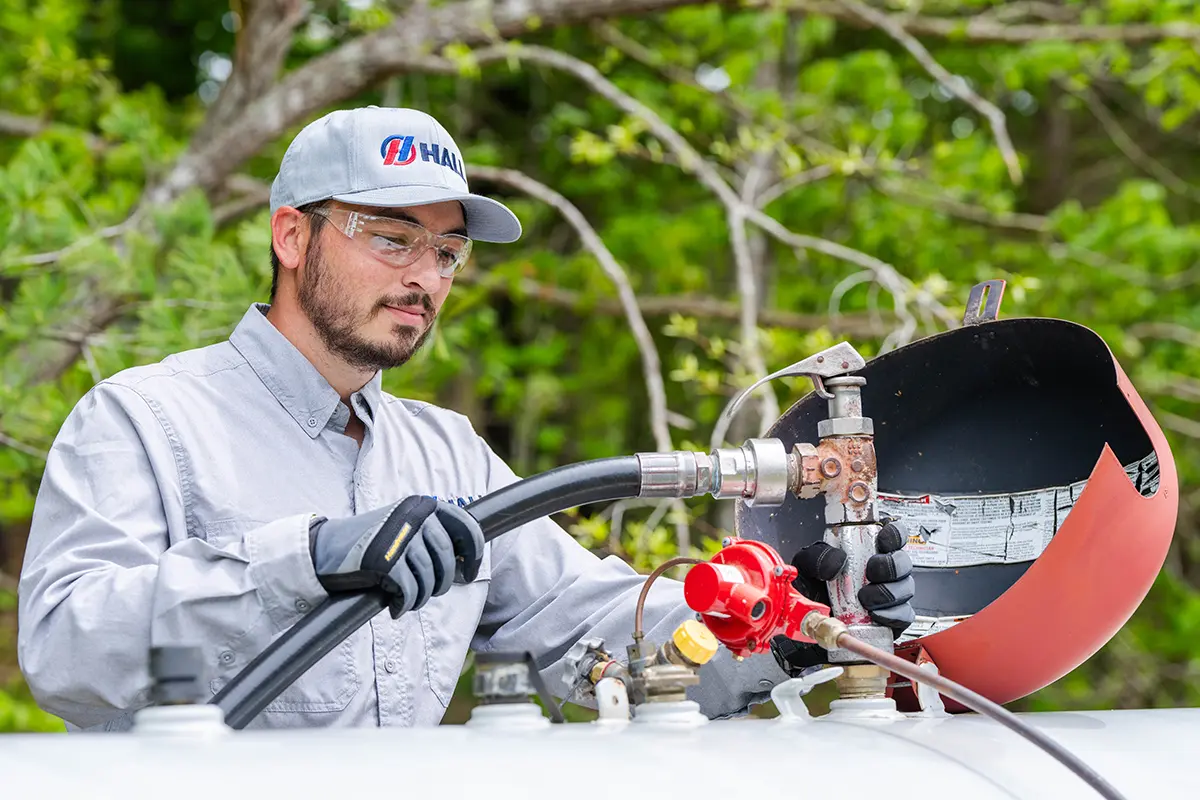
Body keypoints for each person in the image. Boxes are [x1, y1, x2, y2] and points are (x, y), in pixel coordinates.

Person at [17, 107, 914, 731]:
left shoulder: (446, 453)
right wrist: (304, 559)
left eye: (447, 252)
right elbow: (64, 651)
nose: (424, 277)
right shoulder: (144, 419)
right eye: (391, 238)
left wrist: (778, 625)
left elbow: (589, 632)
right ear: (292, 237)